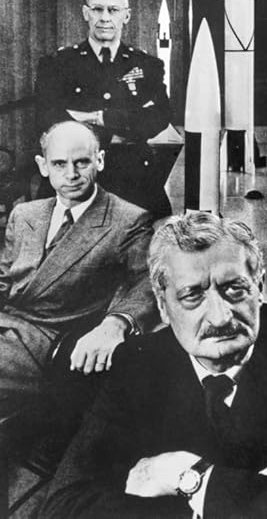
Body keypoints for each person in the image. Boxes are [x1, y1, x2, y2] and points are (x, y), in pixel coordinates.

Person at [42, 212, 267, 519]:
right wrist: (260, 487)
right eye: (192, 295)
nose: (220, 316)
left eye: (235, 289)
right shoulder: (138, 364)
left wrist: (185, 476)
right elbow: (64, 506)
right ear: (162, 306)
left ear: (259, 288)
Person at [0, 121, 157, 433]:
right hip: (8, 327)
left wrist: (115, 324)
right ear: (43, 166)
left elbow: (150, 282)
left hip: (53, 342)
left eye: (82, 162)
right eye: (59, 164)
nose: (71, 174)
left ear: (99, 160)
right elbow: (4, 277)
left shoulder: (127, 220)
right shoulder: (26, 214)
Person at [34, 0, 173, 218]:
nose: (105, 18)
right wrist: (121, 127)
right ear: (85, 13)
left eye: (113, 10)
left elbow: (158, 118)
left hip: (133, 175)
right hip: (76, 173)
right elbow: (47, 117)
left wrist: (98, 117)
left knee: (153, 228)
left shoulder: (147, 65)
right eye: (97, 9)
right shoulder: (58, 63)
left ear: (126, 16)